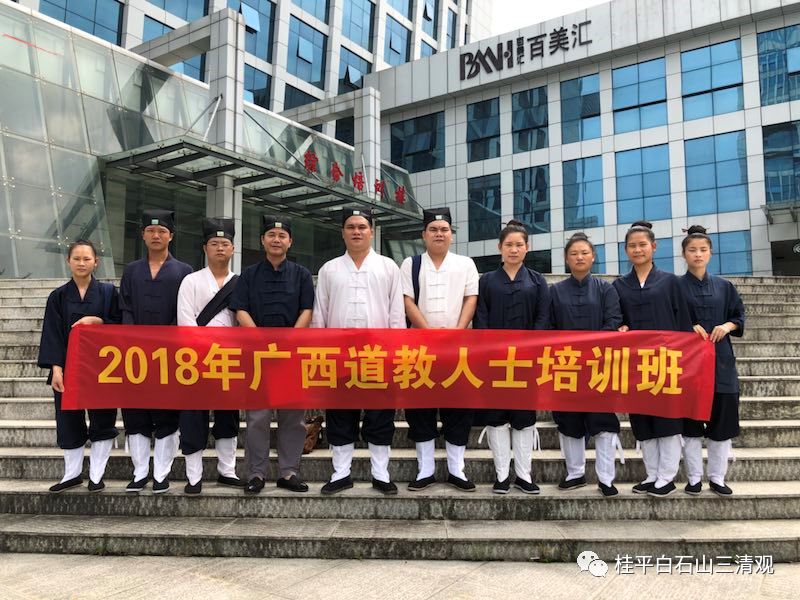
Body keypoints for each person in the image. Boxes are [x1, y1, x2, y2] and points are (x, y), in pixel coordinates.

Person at [312, 208, 405, 495]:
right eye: (351, 227)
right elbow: (320, 314)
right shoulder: (329, 269)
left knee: (380, 416)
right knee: (340, 415)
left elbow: (396, 313)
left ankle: (381, 474)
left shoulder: (388, 267)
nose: (356, 231)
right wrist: (321, 352)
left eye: (362, 227)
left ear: (371, 232)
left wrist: (396, 350)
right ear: (342, 232)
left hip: (379, 354)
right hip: (339, 355)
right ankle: (341, 473)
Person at [230, 215, 314, 495]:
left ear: (290, 242)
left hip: (292, 355)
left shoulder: (301, 274)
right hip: (258, 357)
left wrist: (289, 342)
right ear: (262, 241)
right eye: (271, 235)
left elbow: (307, 310)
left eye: (282, 236)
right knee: (257, 418)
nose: (276, 240)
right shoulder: (248, 275)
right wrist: (260, 340)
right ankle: (256, 473)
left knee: (293, 418)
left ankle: (289, 472)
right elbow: (240, 309)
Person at [612, 221, 693, 497]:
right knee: (642, 421)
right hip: (636, 363)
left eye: (642, 245)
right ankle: (652, 474)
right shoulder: (620, 285)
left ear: (654, 247)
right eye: (632, 246)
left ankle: (667, 477)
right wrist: (620, 327)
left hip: (666, 361)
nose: (638, 249)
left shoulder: (671, 282)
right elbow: (616, 318)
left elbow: (683, 321)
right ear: (626, 250)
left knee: (667, 419)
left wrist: (684, 358)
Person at [402, 208, 480, 492]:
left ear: (451, 235)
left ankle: (457, 469)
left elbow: (471, 298)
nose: (439, 234)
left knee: (458, 408)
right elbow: (407, 300)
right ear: (423, 235)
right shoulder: (411, 264)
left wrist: (457, 331)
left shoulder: (465, 264)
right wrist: (428, 333)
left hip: (457, 349)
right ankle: (425, 469)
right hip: (419, 348)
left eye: (444, 229)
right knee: (419, 409)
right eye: (433, 230)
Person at [119, 209, 193, 494]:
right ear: (143, 235)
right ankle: (139, 472)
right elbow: (125, 307)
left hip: (170, 355)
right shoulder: (131, 270)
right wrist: (132, 337)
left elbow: (184, 310)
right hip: (135, 354)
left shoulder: (183, 271)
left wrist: (167, 339)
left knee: (166, 414)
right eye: (150, 231)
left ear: (171, 236)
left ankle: (161, 474)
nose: (156, 235)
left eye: (162, 231)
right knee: (135, 414)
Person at [474, 220, 550, 494]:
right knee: (496, 416)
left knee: (524, 416)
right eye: (509, 245)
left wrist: (531, 346)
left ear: (527, 248)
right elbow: (480, 317)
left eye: (519, 245)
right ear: (500, 247)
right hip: (495, 361)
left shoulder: (537, 281)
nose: (514, 249)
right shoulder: (487, 281)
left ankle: (524, 475)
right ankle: (502, 475)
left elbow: (543, 317)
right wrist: (489, 348)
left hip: (526, 361)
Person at [38, 240, 120, 493]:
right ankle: (71, 474)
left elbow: (120, 324)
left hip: (102, 367)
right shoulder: (58, 296)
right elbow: (52, 334)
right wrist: (56, 369)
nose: (82, 263)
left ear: (96, 262)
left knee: (103, 419)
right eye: (77, 258)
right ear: (68, 261)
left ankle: (97, 475)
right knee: (68, 420)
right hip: (69, 367)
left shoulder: (108, 293)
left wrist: (99, 321)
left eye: (87, 258)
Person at [549, 233, 624, 497]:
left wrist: (593, 348)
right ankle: (575, 473)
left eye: (584, 253)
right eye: (574, 254)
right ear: (566, 259)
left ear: (593, 257)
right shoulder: (555, 291)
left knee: (603, 422)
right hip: (566, 365)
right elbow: (548, 326)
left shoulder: (606, 289)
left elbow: (613, 320)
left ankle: (606, 478)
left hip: (598, 365)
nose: (579, 257)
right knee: (568, 421)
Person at [177, 217, 245, 494]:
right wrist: (202, 350)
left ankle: (227, 470)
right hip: (195, 359)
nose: (220, 248)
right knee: (193, 417)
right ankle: (194, 477)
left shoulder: (241, 282)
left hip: (229, 359)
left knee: (228, 416)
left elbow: (243, 320)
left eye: (225, 243)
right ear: (205, 248)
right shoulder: (191, 281)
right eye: (214, 243)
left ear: (233, 249)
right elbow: (185, 320)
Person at [678, 225, 745, 496]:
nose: (698, 254)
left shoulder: (725, 286)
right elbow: (668, 318)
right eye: (692, 250)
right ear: (684, 254)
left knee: (722, 424)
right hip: (688, 366)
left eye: (703, 250)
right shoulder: (674, 287)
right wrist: (687, 326)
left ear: (711, 253)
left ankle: (717, 477)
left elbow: (738, 316)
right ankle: (694, 478)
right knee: (690, 426)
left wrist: (726, 326)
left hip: (721, 364)